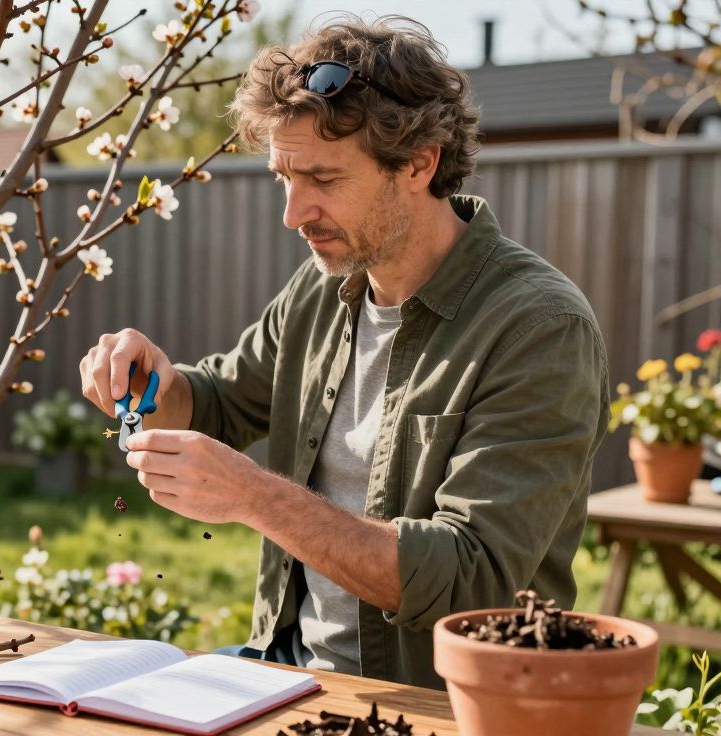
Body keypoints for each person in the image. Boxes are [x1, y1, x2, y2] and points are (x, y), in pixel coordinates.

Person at [78, 15, 609, 688]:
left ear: (420, 162)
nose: (293, 214)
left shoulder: (539, 327)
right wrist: (155, 381)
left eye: (324, 180)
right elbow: (218, 403)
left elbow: (473, 582)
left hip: (449, 705)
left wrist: (255, 498)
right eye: (283, 177)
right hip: (288, 674)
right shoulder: (324, 287)